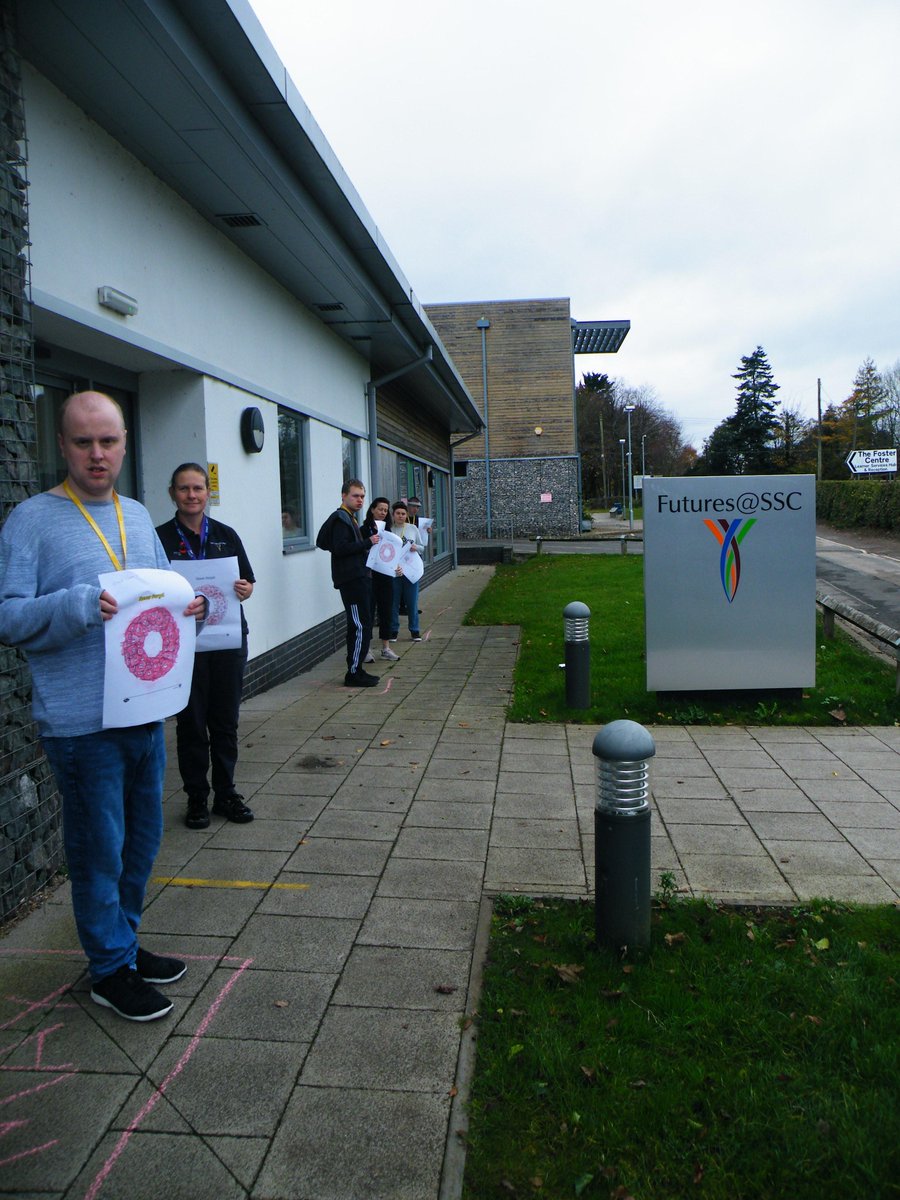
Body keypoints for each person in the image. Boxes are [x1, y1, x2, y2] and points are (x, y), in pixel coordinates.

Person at [0, 391, 204, 1022]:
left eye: (108, 441)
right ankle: (109, 970)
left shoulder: (139, 516)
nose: (97, 454)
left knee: (140, 844)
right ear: (61, 445)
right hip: (82, 723)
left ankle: (123, 945)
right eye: (83, 441)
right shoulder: (31, 520)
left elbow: (162, 589)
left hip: (143, 709)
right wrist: (77, 604)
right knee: (98, 849)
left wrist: (187, 605)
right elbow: (8, 617)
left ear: (123, 445)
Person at [156, 464, 256, 830]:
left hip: (228, 643)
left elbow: (247, 581)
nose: (192, 495)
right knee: (192, 724)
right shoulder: (160, 538)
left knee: (225, 722)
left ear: (208, 493)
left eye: (198, 488)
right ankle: (196, 797)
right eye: (184, 488)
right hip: (184, 646)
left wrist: (246, 589)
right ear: (173, 493)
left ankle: (226, 793)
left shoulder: (226, 535)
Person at [316, 479, 380, 686]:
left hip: (358, 577)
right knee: (360, 625)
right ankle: (353, 672)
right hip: (351, 580)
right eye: (355, 496)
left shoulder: (349, 518)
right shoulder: (341, 519)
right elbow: (340, 548)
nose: (360, 500)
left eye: (362, 496)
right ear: (344, 496)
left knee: (363, 623)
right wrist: (366, 543)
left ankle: (357, 668)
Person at [361, 496, 400, 662]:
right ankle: (366, 649)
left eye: (385, 510)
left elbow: (393, 554)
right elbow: (359, 550)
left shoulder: (389, 532)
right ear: (372, 510)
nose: (383, 512)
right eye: (380, 509)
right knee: (368, 613)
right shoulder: (363, 530)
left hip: (386, 578)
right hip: (369, 578)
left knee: (386, 611)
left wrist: (397, 566)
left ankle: (386, 648)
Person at [389, 500, 423, 642]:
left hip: (410, 572)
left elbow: (422, 547)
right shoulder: (388, 529)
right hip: (394, 571)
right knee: (393, 602)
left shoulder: (412, 529)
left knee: (412, 602)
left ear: (406, 515)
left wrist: (416, 547)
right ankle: (393, 631)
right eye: (398, 513)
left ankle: (414, 631)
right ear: (393, 514)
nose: (401, 516)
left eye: (403, 513)